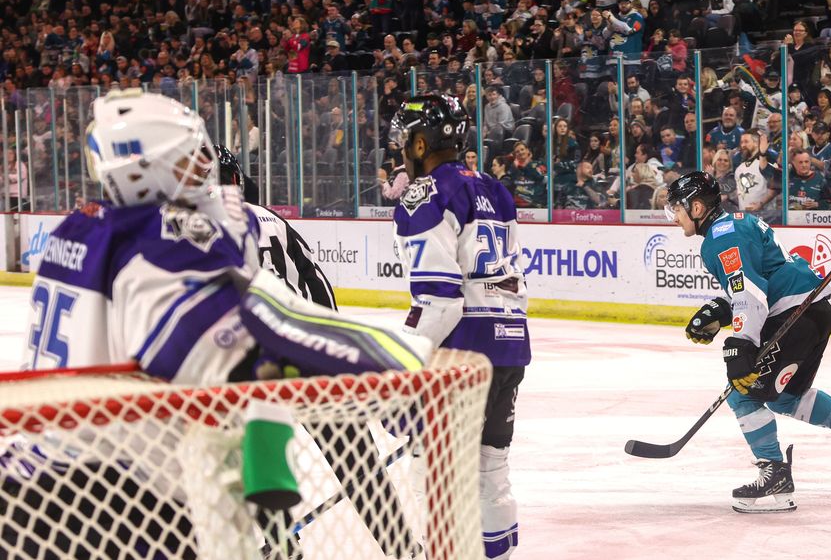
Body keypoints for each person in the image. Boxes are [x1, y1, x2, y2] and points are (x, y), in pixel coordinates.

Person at [22, 90, 431, 559]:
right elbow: (243, 332)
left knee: (237, 443)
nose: (203, 174)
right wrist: (373, 363)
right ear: (143, 170)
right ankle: (392, 549)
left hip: (42, 473)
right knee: (324, 453)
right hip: (116, 493)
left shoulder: (77, 227)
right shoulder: (176, 239)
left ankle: (283, 548)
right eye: (187, 160)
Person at [663, 171, 831, 513]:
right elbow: (758, 281)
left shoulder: (719, 238)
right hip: (811, 312)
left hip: (794, 317)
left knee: (743, 395)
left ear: (697, 206)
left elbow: (750, 292)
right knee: (786, 398)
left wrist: (740, 345)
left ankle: (775, 476)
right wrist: (720, 310)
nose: (675, 218)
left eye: (677, 209)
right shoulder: (735, 224)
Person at [390, 94, 530, 560]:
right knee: (492, 473)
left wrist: (405, 366)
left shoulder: (425, 192)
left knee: (429, 470)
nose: (403, 148)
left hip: (460, 358)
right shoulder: (496, 188)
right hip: (509, 345)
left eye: (407, 139)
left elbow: (438, 299)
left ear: (422, 142)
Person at [215, 145, 337, 309]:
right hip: (298, 317)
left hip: (257, 323)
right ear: (237, 180)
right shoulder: (272, 218)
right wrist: (330, 323)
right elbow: (313, 276)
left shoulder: (202, 230)